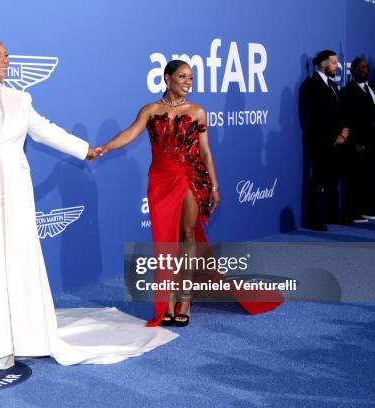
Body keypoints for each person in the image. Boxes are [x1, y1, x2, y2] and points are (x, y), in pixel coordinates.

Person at [0, 37, 176, 374]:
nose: (6, 60)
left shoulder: (20, 99)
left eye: (6, 55)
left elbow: (45, 130)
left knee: (16, 268)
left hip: (16, 198)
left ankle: (19, 338)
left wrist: (85, 149)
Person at [97, 60, 282, 327]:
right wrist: (105, 147)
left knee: (186, 235)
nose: (187, 82)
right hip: (160, 181)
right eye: (182, 76)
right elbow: (130, 133)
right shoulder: (150, 110)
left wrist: (215, 186)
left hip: (189, 178)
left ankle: (184, 297)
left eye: (191, 78)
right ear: (167, 78)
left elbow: (206, 152)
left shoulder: (197, 111)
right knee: (164, 240)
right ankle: (167, 297)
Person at [299, 50, 352, 231]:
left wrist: (344, 132)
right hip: (321, 143)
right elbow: (311, 119)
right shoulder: (311, 86)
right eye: (334, 62)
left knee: (333, 178)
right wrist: (332, 138)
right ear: (323, 63)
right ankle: (315, 219)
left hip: (337, 141)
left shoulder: (332, 85)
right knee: (318, 180)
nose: (337, 66)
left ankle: (332, 213)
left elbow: (338, 112)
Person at [339, 57, 375, 222]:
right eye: (359, 67)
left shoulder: (371, 89)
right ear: (352, 71)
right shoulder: (348, 91)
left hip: (371, 142)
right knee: (352, 178)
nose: (363, 70)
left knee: (367, 177)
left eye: (365, 67)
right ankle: (351, 211)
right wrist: (354, 142)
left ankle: (365, 208)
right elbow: (347, 120)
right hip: (356, 143)